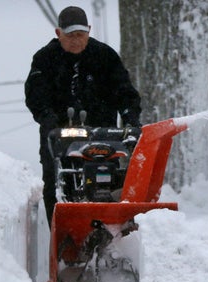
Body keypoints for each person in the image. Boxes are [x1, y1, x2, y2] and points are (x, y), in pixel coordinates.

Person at [25, 6, 142, 226]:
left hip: (103, 135)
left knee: (116, 180)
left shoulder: (105, 57)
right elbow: (35, 95)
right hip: (59, 139)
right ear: (58, 33)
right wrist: (48, 118)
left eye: (80, 35)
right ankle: (60, 235)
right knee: (55, 185)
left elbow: (125, 93)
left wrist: (131, 120)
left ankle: (118, 228)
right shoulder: (44, 59)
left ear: (89, 31)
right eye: (70, 36)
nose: (76, 41)